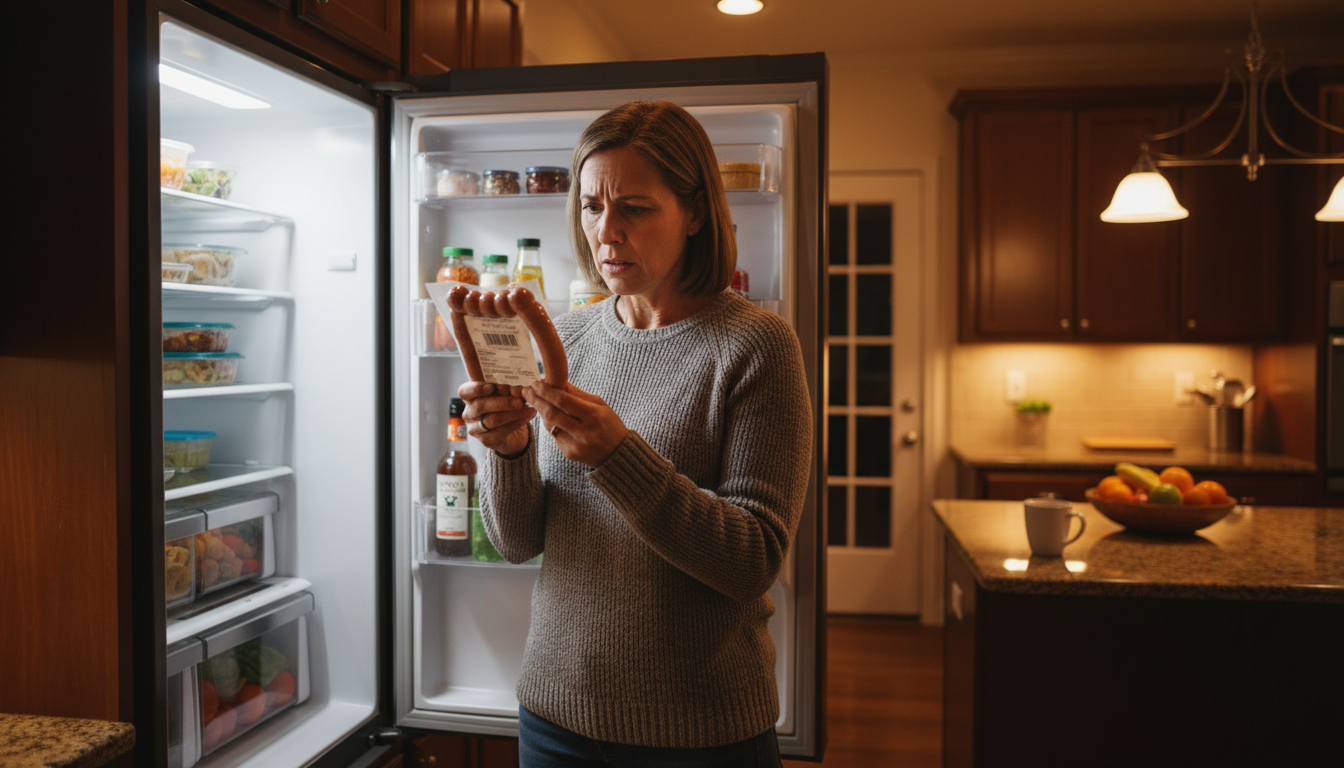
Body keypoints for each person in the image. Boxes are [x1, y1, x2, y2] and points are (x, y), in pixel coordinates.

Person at [458, 100, 812, 768]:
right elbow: (515, 542)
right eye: (592, 207)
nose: (607, 232)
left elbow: (753, 561)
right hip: (555, 717)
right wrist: (505, 451)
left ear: (697, 212)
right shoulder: (564, 339)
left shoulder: (757, 345)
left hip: (702, 733)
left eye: (635, 208)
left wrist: (619, 456)